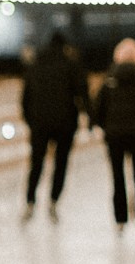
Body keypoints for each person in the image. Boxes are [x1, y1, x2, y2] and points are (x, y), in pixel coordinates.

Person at [20, 29, 90, 220]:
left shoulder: (36, 64)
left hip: (40, 123)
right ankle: (53, 200)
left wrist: (30, 119)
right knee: (61, 163)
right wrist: (90, 117)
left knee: (36, 163)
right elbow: (82, 92)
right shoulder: (71, 64)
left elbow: (26, 96)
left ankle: (30, 200)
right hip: (65, 124)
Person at [92, 38, 135, 232]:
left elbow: (98, 109)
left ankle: (120, 219)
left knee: (117, 177)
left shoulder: (109, 81)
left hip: (114, 135)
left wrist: (105, 126)